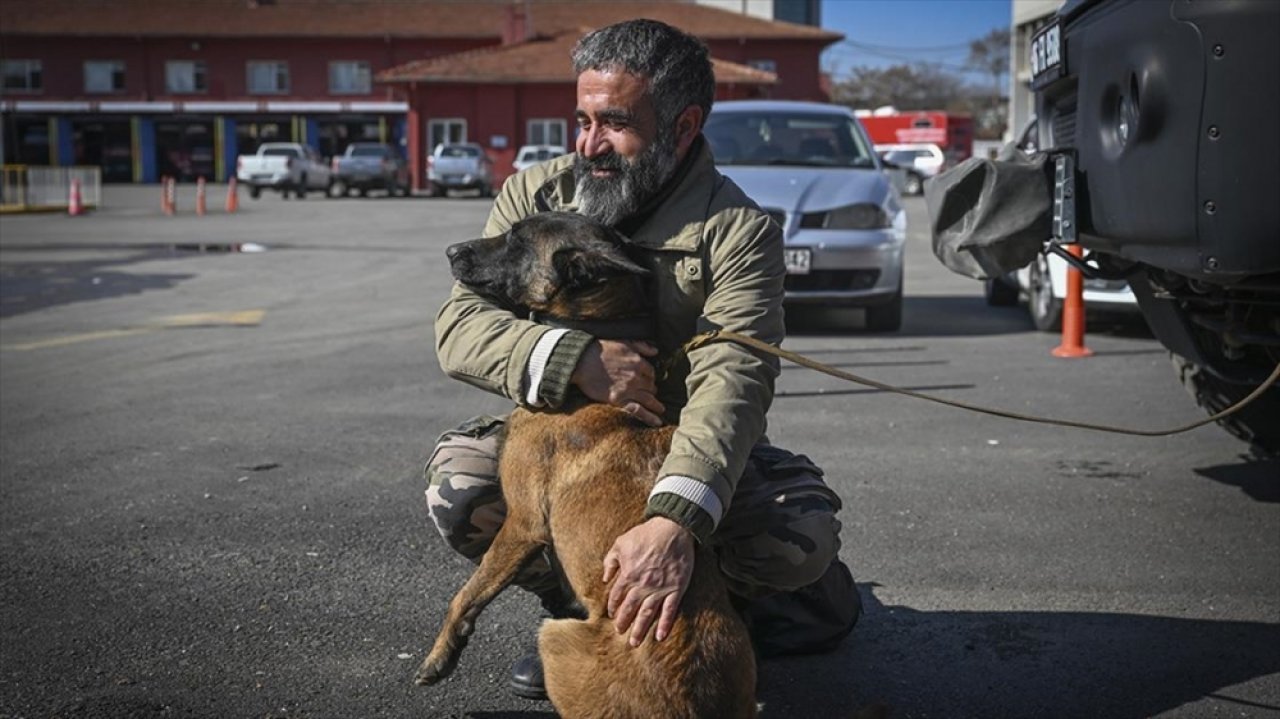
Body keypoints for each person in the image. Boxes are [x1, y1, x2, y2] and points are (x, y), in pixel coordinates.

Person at [425, 19, 860, 700]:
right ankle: (583, 607)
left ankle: (717, 607)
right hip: (569, 452)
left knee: (795, 532)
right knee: (461, 490)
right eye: (582, 119)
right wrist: (573, 357)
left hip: (681, 449)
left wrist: (674, 519)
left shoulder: (739, 229)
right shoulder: (536, 197)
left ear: (684, 126)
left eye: (615, 123)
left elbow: (734, 379)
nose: (588, 144)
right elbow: (460, 324)